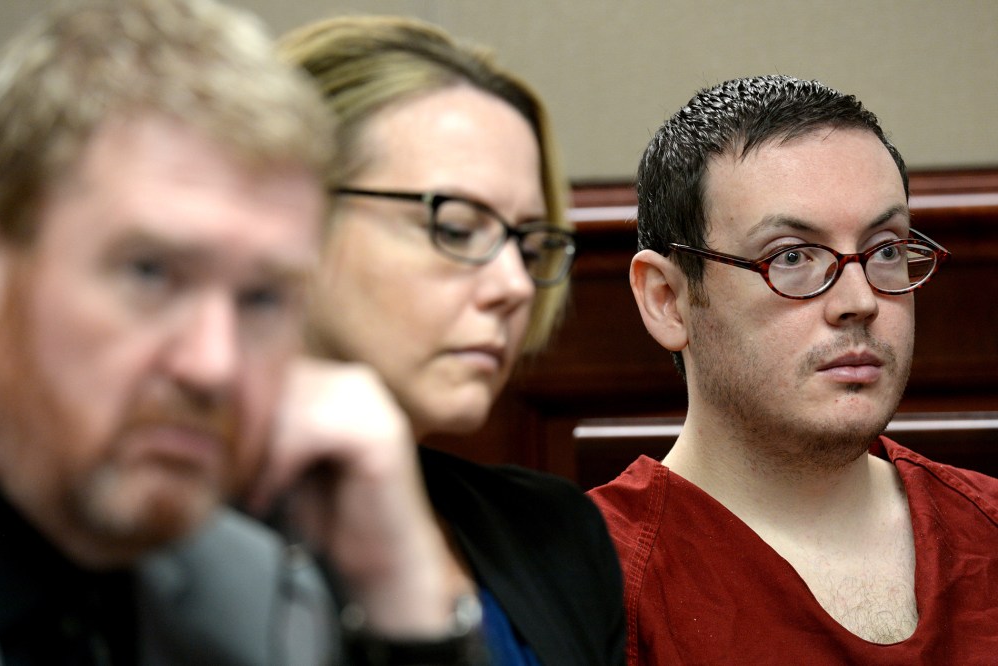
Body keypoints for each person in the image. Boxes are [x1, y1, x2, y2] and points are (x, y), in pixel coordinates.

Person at [0, 1, 468, 664]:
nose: (213, 364)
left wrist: (404, 596)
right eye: (150, 272)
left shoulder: (258, 598)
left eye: (261, 299)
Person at [587, 74, 998, 663]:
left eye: (885, 248)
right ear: (667, 300)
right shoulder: (590, 582)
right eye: (791, 257)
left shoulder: (986, 527)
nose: (858, 300)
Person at [274, 15, 625, 665]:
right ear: (288, 218)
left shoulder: (556, 533)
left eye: (527, 242)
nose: (516, 285)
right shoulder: (158, 536)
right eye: (458, 229)